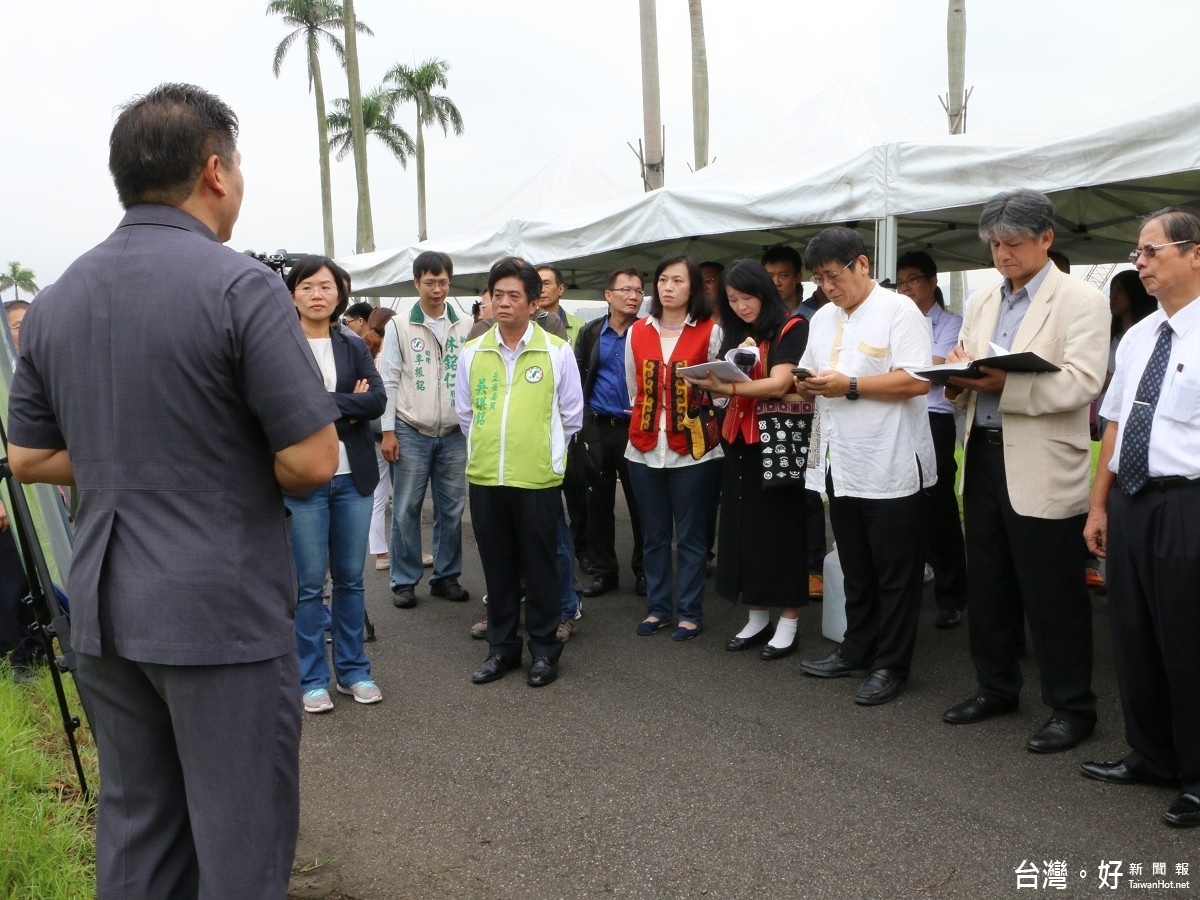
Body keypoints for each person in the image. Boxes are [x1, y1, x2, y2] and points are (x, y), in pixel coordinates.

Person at [6, 83, 340, 899]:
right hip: (215, 609)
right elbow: (312, 461)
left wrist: (132, 461)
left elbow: (27, 456)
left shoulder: (55, 301)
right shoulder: (240, 286)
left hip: (105, 607)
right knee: (241, 841)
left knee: (139, 829)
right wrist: (202, 462)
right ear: (215, 170)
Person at [941, 189, 1108, 753]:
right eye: (994, 244)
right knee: (987, 582)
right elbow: (969, 358)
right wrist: (955, 377)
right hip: (984, 454)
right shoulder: (986, 298)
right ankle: (996, 687)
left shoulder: (1081, 300)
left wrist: (1005, 385)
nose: (1002, 254)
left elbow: (1083, 382)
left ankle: (1072, 707)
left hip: (1040, 458)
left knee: (1052, 591)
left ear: (1046, 239)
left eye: (1013, 244)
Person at [1082, 206, 1200, 829]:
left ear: (1195, 252)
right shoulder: (1138, 336)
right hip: (1131, 500)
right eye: (1138, 252)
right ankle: (1150, 753)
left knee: (1188, 640)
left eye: (1152, 251)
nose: (1141, 262)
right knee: (1133, 633)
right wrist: (1100, 502)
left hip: (1188, 502)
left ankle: (1196, 773)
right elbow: (1116, 422)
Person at [794, 227, 933, 706]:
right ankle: (856, 649)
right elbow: (810, 374)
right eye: (820, 279)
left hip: (890, 460)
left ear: (862, 264)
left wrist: (849, 384)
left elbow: (917, 381)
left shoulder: (899, 310)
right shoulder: (823, 319)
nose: (829, 287)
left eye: (834, 275)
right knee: (856, 565)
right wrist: (807, 386)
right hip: (839, 459)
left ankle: (891, 665)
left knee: (895, 572)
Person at [456, 257, 583, 687]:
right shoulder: (472, 353)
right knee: (498, 567)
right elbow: (465, 413)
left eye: (514, 296)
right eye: (498, 295)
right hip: (487, 477)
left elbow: (571, 416)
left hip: (536, 480)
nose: (504, 303)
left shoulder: (556, 351)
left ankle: (545, 650)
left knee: (541, 566)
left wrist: (547, 457)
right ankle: (502, 649)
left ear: (533, 303)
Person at [684, 259, 809, 659]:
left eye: (747, 296)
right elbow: (728, 386)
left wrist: (728, 387)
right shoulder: (739, 334)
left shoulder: (793, 327)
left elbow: (779, 382)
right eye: (733, 299)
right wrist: (711, 382)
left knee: (782, 529)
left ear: (765, 291)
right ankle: (756, 616)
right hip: (738, 439)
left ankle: (788, 620)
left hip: (776, 441)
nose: (741, 306)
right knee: (741, 529)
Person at [283, 256, 386, 712]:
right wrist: (347, 404)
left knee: (350, 580)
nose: (317, 294)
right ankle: (311, 679)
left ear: (339, 294)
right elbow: (279, 407)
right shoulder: (278, 347)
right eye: (307, 287)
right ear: (292, 295)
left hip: (353, 476)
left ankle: (353, 670)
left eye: (326, 286)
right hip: (302, 477)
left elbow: (378, 401)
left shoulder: (353, 345)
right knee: (308, 585)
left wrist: (320, 405)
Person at [625, 253, 722, 641]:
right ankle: (658, 608)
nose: (668, 287)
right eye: (663, 279)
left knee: (693, 535)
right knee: (653, 535)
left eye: (678, 281)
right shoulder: (638, 331)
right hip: (645, 446)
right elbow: (635, 387)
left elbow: (721, 390)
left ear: (693, 287)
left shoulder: (710, 331)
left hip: (694, 449)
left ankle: (690, 611)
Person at [378, 251, 473, 609]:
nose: (437, 289)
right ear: (416, 283)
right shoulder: (399, 325)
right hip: (411, 429)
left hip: (453, 432)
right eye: (430, 282)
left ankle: (446, 576)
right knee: (406, 508)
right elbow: (387, 380)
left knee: (451, 508)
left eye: (443, 282)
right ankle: (403, 580)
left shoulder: (464, 324)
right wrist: (388, 431)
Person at [895, 251, 967, 629]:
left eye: (913, 279)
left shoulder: (950, 322)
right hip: (898, 417)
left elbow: (938, 366)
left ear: (933, 282)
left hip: (935, 418)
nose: (905, 287)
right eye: (901, 281)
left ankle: (953, 594)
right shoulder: (895, 319)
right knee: (903, 504)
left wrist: (902, 366)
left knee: (938, 504)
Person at [574, 267, 646, 599]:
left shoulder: (647, 332)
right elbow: (577, 381)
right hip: (599, 428)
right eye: (626, 290)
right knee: (598, 503)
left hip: (637, 429)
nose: (633, 296)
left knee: (642, 505)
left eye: (639, 291)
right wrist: (583, 427)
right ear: (608, 295)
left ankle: (645, 572)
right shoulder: (590, 333)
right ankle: (605, 572)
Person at [762, 244, 826, 600]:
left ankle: (814, 568)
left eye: (783, 275)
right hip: (770, 418)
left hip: (808, 414)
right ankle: (784, 565)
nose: (776, 282)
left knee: (809, 494)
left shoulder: (813, 315)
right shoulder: (761, 319)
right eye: (769, 276)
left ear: (797, 277)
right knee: (779, 494)